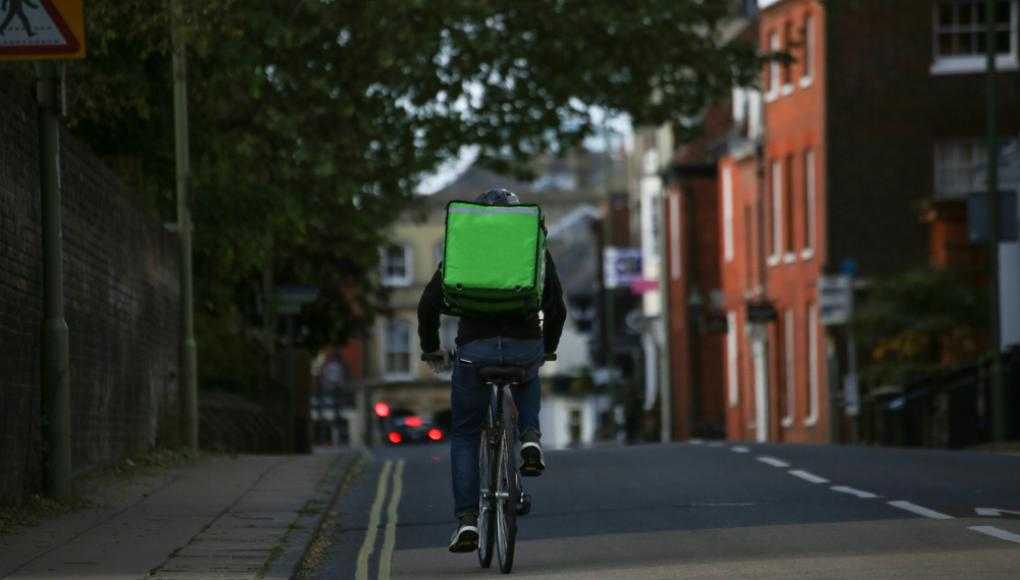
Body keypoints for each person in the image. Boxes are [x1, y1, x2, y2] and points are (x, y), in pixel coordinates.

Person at [417, 188, 566, 553]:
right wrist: (547, 349)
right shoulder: (533, 249)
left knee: (466, 435)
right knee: (529, 372)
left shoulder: (464, 251)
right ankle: (530, 436)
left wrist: (430, 348)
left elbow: (427, 305)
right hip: (523, 344)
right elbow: (556, 306)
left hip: (474, 352)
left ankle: (467, 520)